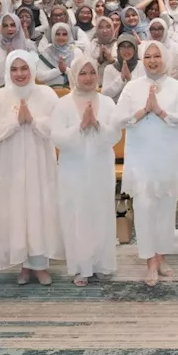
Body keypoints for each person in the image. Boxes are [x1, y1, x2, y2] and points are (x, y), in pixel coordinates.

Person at [117, 41, 178, 287]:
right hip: (141, 157)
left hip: (168, 156)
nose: (152, 60)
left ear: (165, 59)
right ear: (142, 59)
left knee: (165, 209)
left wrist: (160, 112)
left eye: (157, 56)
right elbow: (118, 119)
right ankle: (149, 261)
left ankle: (161, 257)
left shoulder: (177, 87)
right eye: (148, 56)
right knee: (144, 208)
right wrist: (143, 111)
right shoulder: (132, 87)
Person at [0, 51, 62, 285]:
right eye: (14, 69)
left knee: (38, 209)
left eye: (24, 68)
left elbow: (56, 129)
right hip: (10, 164)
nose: (19, 74)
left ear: (32, 70)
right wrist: (14, 123)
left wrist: (34, 121)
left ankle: (39, 264)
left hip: (39, 163)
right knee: (15, 210)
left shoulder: (46, 94)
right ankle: (23, 265)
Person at [50, 57, 124, 287]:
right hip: (74, 168)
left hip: (101, 165)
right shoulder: (63, 104)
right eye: (83, 73)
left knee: (101, 212)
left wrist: (98, 126)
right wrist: (80, 126)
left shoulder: (108, 102)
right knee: (77, 214)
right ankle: (81, 267)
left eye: (92, 72)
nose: (89, 77)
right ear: (74, 76)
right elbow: (57, 137)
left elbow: (116, 135)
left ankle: (102, 263)